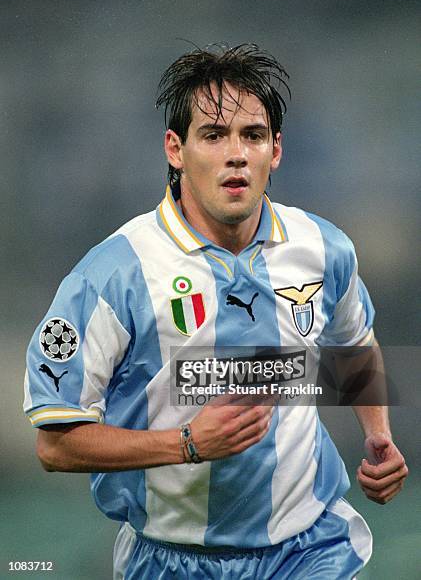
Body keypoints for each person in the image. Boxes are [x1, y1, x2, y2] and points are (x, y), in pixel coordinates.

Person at [24, 44, 408, 579]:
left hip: (310, 549)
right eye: (213, 135)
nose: (236, 154)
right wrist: (186, 444)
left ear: (275, 151)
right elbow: (54, 444)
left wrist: (377, 433)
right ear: (175, 149)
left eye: (251, 136)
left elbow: (351, 342)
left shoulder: (324, 248)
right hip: (171, 561)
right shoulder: (113, 274)